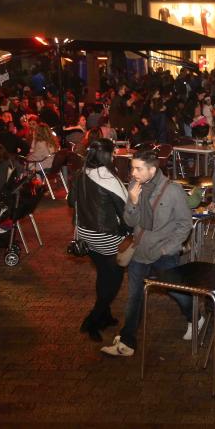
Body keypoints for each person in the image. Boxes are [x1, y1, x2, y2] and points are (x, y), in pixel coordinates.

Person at [101, 150, 196, 357]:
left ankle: (195, 317)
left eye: (138, 168)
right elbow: (130, 222)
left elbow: (184, 224)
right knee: (134, 297)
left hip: (163, 254)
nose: (133, 172)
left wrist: (168, 248)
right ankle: (127, 342)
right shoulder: (135, 187)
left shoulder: (173, 191)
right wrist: (133, 202)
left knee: (177, 292)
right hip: (139, 251)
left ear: (152, 170)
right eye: (132, 167)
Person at [68, 139, 129, 342]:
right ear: (106, 155)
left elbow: (70, 201)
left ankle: (105, 316)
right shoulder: (109, 179)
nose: (114, 157)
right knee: (114, 278)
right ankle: (93, 319)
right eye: (112, 154)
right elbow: (126, 212)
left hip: (85, 235)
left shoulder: (80, 174)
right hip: (108, 236)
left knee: (103, 274)